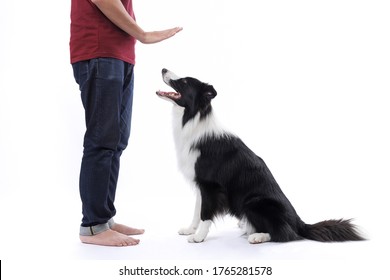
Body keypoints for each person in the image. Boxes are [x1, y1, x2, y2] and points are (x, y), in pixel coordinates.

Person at [70, 0, 182, 247]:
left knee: (116, 140)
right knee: (102, 140)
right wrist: (142, 34)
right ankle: (92, 226)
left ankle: (104, 219)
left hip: (119, 54)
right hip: (99, 52)